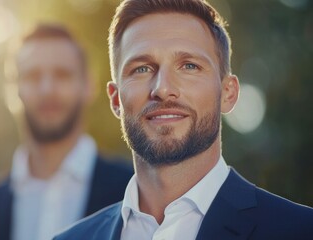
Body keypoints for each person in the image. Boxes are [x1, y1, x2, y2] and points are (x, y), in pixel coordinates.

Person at [54, 0, 313, 239]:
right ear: (115, 99)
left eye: (189, 66)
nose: (163, 88)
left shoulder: (301, 230)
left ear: (228, 93)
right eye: (141, 68)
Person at [0, 24, 133, 240]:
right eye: (33, 76)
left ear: (88, 86)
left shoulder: (135, 193)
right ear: (11, 90)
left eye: (62, 75)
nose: (47, 89)